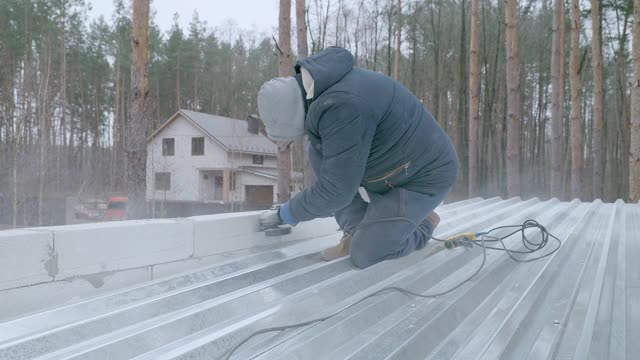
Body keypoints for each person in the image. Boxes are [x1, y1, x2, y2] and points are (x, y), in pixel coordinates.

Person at [257, 47, 458, 269]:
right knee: (318, 150)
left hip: (422, 176)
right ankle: (354, 231)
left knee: (367, 254)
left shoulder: (344, 106)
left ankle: (424, 224)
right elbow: (336, 179)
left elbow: (335, 191)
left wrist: (287, 213)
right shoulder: (324, 97)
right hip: (391, 170)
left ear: (295, 114)